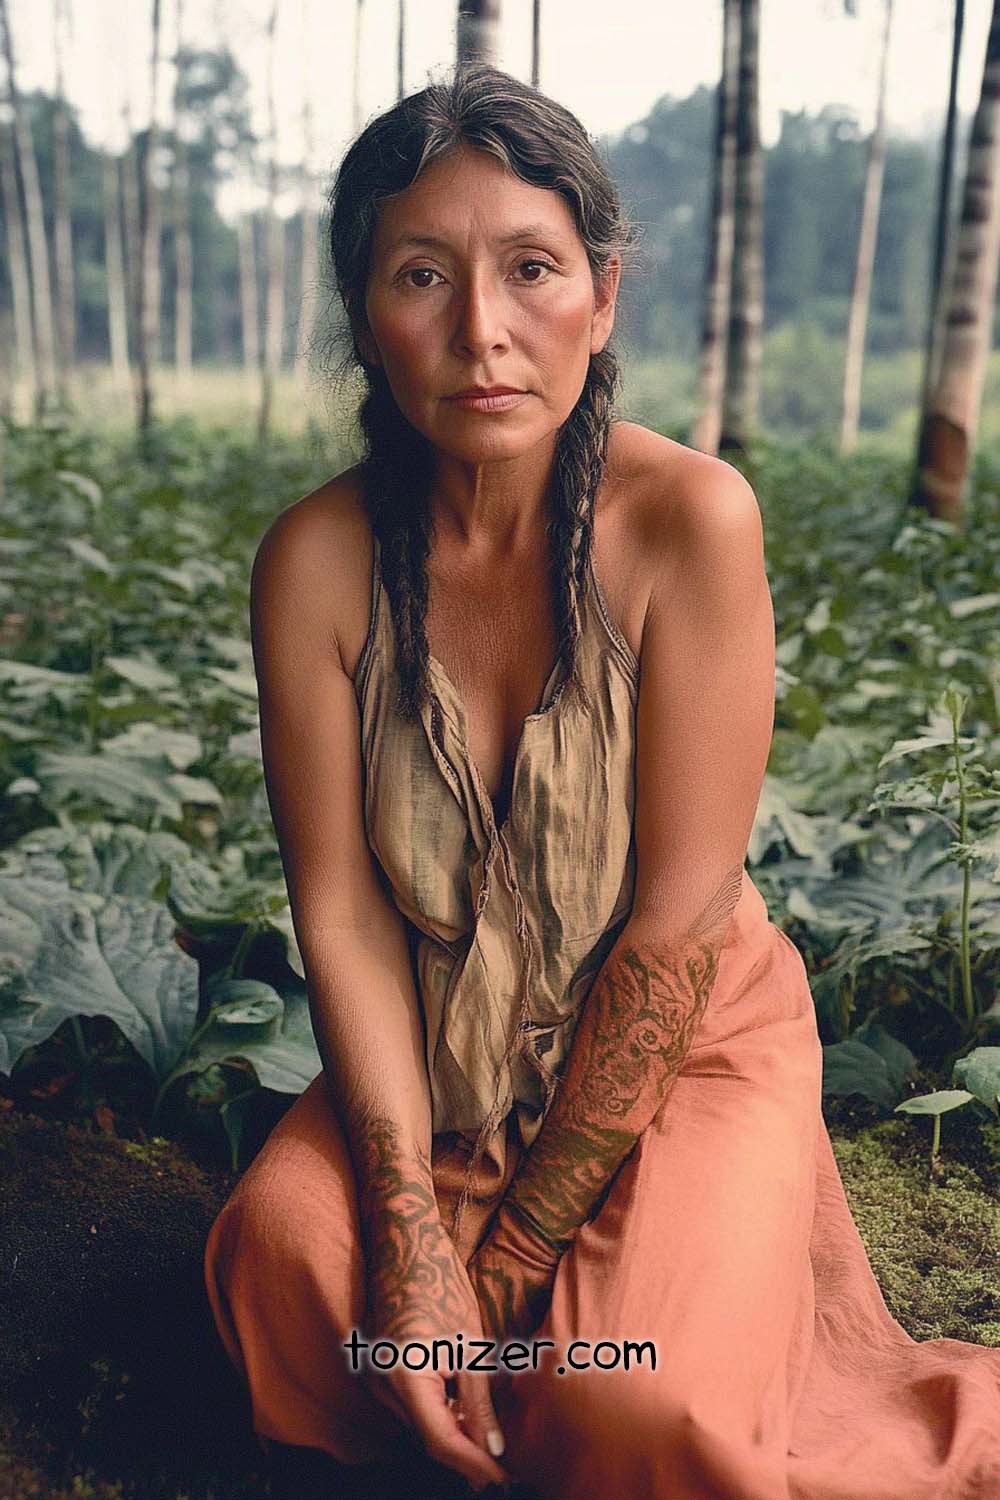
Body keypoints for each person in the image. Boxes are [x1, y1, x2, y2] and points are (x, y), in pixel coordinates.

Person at [203, 62, 1000, 1500]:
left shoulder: (689, 521)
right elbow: (339, 910)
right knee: (283, 1267)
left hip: (678, 1051)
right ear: (364, 312)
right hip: (443, 1057)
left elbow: (679, 926)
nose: (483, 333)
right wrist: (408, 1238)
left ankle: (588, 1393)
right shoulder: (314, 563)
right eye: (423, 275)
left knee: (634, 1402)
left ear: (604, 295)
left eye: (531, 270)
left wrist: (494, 1270)